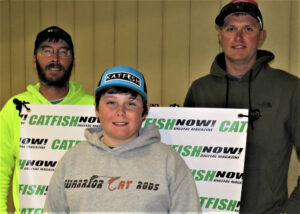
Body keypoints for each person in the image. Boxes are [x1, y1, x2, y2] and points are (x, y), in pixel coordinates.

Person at [184, 0, 300, 213]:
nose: (238, 37)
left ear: (261, 36)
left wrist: (289, 211)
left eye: (248, 28)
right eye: (231, 29)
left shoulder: (290, 88)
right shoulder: (200, 90)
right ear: (220, 36)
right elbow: (183, 164)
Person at [44, 65, 201, 213]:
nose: (120, 111)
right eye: (111, 102)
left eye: (131, 104)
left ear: (145, 111)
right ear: (97, 109)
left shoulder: (169, 163)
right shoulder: (71, 160)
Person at [0, 26, 94, 212]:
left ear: (73, 62)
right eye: (47, 51)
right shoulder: (14, 108)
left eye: (63, 52)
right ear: (35, 61)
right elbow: (1, 168)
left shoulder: (95, 108)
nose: (55, 59)